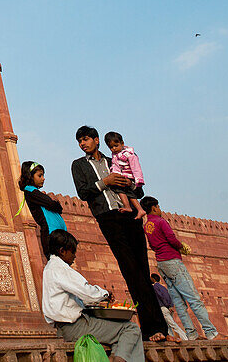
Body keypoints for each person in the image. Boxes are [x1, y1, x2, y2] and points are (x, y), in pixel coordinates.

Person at [71, 126, 167, 342]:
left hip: (131, 216)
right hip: (108, 217)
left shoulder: (115, 158)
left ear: (96, 140)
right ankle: (151, 329)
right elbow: (83, 192)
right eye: (79, 141)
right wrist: (106, 182)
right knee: (130, 270)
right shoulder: (79, 165)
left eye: (85, 139)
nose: (82, 144)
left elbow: (138, 188)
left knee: (142, 269)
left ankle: (158, 328)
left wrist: (129, 183)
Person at [42, 229, 144, 362]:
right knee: (130, 328)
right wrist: (105, 294)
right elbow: (88, 293)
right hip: (74, 327)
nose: (74, 256)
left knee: (120, 339)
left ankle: (114, 357)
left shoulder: (50, 268)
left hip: (63, 327)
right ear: (62, 251)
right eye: (72, 252)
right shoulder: (60, 269)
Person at [140, 196, 221, 339]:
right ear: (154, 208)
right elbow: (171, 239)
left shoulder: (147, 226)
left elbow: (152, 246)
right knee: (193, 298)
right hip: (172, 261)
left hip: (162, 263)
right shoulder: (160, 221)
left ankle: (192, 334)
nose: (160, 210)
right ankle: (211, 333)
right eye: (158, 207)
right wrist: (181, 247)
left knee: (178, 301)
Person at [17, 160, 66, 259]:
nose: (43, 179)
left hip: (56, 232)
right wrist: (56, 205)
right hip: (51, 234)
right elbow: (52, 204)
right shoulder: (30, 191)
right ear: (30, 176)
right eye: (40, 176)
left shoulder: (34, 192)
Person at [104, 132, 147, 220]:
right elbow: (115, 166)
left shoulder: (129, 154)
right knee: (121, 190)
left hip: (129, 177)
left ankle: (138, 209)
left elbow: (136, 167)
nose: (114, 148)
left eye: (116, 145)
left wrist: (138, 180)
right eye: (111, 147)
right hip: (122, 176)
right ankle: (129, 206)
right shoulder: (115, 156)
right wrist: (115, 174)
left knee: (129, 193)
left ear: (122, 143)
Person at [150, 274, 188, 340]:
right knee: (168, 325)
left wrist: (167, 305)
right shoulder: (163, 287)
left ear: (153, 279)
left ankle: (185, 338)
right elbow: (169, 297)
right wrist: (170, 306)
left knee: (172, 324)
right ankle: (171, 338)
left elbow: (161, 297)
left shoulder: (155, 287)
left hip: (163, 307)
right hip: (168, 308)